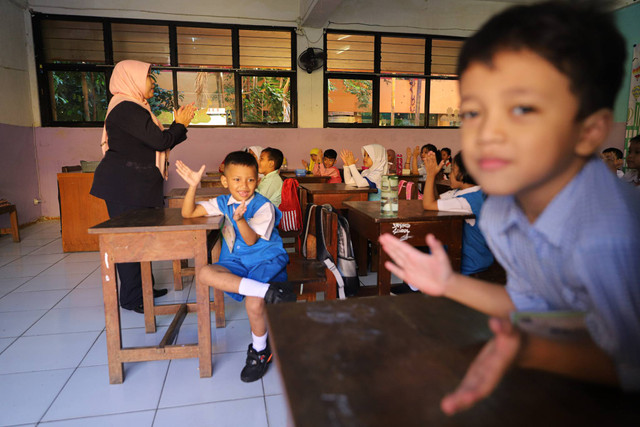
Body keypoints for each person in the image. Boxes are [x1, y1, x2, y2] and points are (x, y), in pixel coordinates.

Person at [379, 0, 640, 414]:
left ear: (589, 131)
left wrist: (526, 351)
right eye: (473, 111)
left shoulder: (609, 235)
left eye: (522, 109)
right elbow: (534, 308)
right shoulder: (501, 213)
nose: (488, 133)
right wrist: (448, 284)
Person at [175, 152, 296, 383]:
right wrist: (192, 186)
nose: (244, 185)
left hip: (265, 260)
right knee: (205, 272)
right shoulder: (223, 202)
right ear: (225, 182)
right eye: (237, 179)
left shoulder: (264, 206)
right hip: (236, 263)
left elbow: (251, 240)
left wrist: (240, 220)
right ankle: (272, 293)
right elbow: (188, 213)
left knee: (253, 301)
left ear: (258, 181)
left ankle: (260, 351)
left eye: (250, 179)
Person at [90, 59, 196, 314]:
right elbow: (159, 141)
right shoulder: (126, 107)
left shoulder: (135, 107)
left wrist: (179, 127)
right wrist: (180, 125)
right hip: (124, 186)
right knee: (128, 241)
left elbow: (154, 142)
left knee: (141, 238)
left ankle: (144, 287)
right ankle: (131, 297)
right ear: (133, 80)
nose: (152, 83)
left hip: (133, 184)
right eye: (149, 77)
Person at [422, 151, 493, 275]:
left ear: (461, 173)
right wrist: (433, 175)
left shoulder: (466, 201)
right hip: (478, 257)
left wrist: (430, 175)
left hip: (468, 261)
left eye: (453, 170)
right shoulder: (472, 193)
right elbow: (434, 200)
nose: (449, 174)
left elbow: (428, 204)